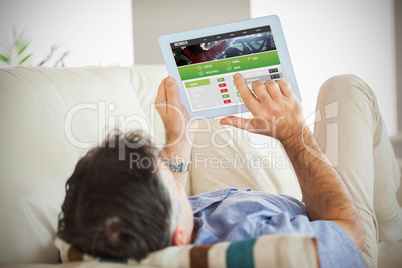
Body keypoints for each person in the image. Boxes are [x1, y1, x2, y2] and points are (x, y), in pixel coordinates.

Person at [57, 74, 401, 268]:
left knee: (209, 119)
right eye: (172, 182)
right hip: (333, 217)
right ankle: (389, 221)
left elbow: (163, 209)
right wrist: (293, 133)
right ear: (178, 238)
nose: (173, 172)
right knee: (345, 89)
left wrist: (178, 140)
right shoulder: (261, 250)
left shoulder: (106, 227)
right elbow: (348, 233)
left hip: (233, 207)